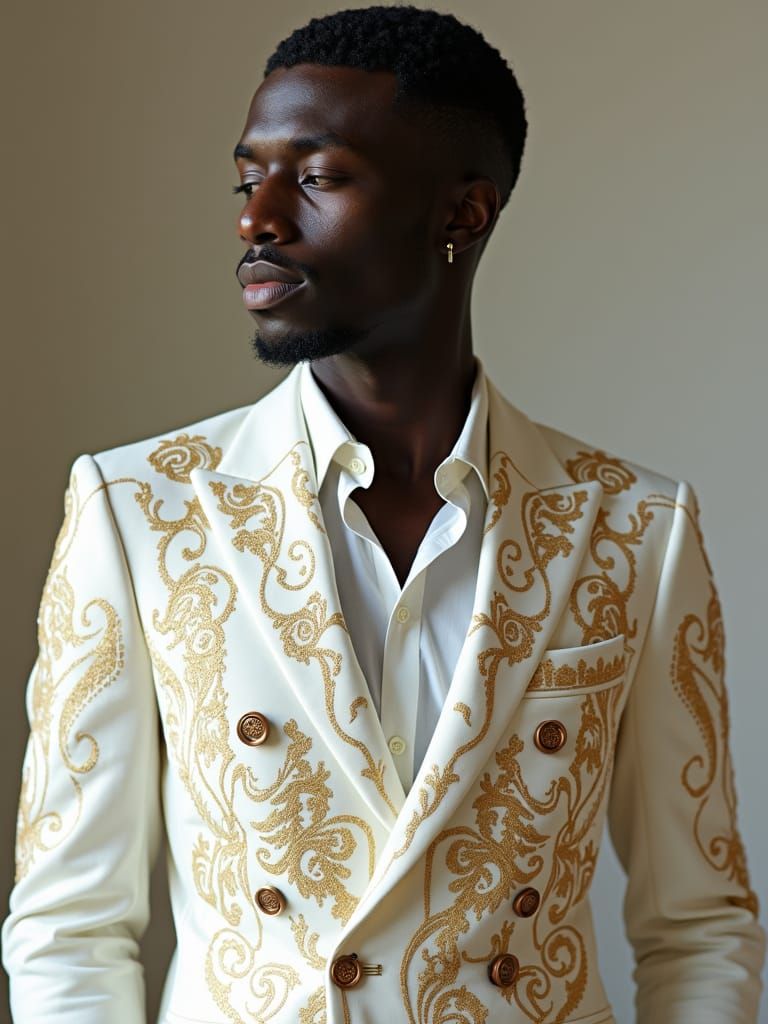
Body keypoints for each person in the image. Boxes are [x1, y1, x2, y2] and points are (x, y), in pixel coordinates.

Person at [3, 6, 764, 1023]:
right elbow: (69, 925)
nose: (255, 217)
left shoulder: (635, 529)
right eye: (248, 177)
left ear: (463, 214)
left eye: (315, 178)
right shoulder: (140, 509)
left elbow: (699, 926)